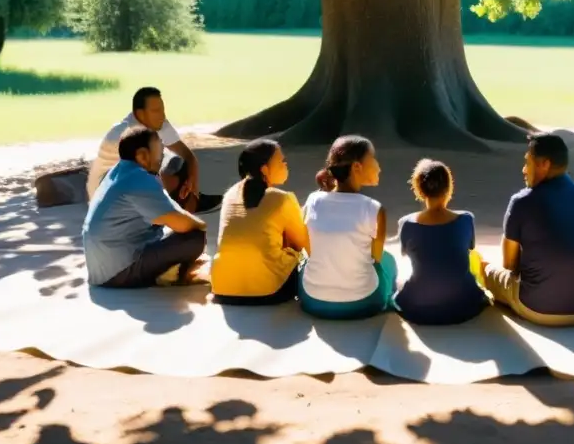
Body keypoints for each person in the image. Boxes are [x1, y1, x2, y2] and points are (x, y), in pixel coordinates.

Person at [484, 133, 574, 327]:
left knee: (486, 269)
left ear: (544, 164)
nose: (524, 169)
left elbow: (509, 266)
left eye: (528, 162)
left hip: (539, 308)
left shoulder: (522, 201)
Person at [82, 125, 207, 288]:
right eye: (159, 151)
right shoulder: (139, 179)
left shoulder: (118, 172)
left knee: (171, 229)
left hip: (101, 270)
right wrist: (201, 226)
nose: (162, 156)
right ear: (142, 156)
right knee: (195, 237)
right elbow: (181, 223)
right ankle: (169, 273)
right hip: (120, 273)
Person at [297, 136, 398, 320]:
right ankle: (387, 296)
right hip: (364, 303)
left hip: (313, 301)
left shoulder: (312, 201)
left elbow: (310, 250)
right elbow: (375, 258)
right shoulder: (374, 209)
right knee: (388, 261)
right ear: (357, 166)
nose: (379, 166)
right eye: (373, 158)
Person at [86, 86, 221, 213]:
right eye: (156, 111)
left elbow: (187, 155)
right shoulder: (128, 133)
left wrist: (193, 181)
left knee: (182, 167)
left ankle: (191, 199)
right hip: (107, 196)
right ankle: (188, 205)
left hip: (127, 185)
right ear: (140, 114)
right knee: (170, 174)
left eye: (162, 110)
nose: (162, 115)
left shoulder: (158, 123)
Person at [210, 140, 310, 306]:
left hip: (222, 288)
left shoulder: (229, 195)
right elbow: (301, 244)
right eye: (282, 162)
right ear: (265, 169)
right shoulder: (283, 199)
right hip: (270, 291)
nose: (286, 166)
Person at [393, 159, 489, 326]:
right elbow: (469, 247)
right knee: (474, 256)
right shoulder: (466, 219)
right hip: (463, 306)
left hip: (419, 306)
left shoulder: (406, 223)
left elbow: (406, 253)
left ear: (420, 191)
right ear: (449, 188)